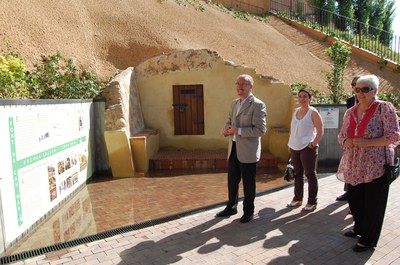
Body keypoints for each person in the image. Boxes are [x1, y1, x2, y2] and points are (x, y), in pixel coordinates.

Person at [337, 74, 400, 252]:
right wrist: (345, 142)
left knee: (374, 204)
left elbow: (394, 136)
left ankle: (369, 239)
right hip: (354, 164)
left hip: (376, 165)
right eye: (358, 89)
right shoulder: (350, 112)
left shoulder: (384, 108)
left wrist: (367, 142)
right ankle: (359, 227)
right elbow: (341, 135)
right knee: (356, 200)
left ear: (375, 91)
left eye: (366, 89)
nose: (361, 93)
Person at [216, 74, 267, 223]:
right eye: (237, 84)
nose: (239, 87)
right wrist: (225, 129)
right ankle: (231, 206)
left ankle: (248, 211)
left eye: (243, 84)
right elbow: (229, 121)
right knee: (232, 181)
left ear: (251, 87)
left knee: (248, 183)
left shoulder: (258, 105)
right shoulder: (234, 103)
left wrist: (238, 130)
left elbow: (260, 130)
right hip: (233, 148)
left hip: (248, 151)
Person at [287, 88, 324, 211]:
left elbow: (320, 130)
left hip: (307, 148)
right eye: (300, 96)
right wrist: (289, 144)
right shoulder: (296, 111)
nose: (302, 99)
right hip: (294, 146)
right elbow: (292, 129)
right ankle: (298, 198)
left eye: (305, 96)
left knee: (310, 173)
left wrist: (313, 144)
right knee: (297, 173)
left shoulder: (313, 112)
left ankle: (312, 201)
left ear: (310, 99)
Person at [337, 75, 360, 201]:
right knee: (348, 166)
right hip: (350, 139)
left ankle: (356, 196)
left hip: (363, 140)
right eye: (355, 85)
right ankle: (348, 192)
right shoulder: (350, 101)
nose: (358, 88)